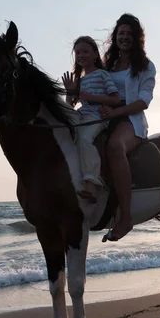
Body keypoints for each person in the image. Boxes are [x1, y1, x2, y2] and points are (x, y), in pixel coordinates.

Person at [98, 13, 156, 242]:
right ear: (115, 36)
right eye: (121, 33)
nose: (124, 37)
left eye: (129, 34)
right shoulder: (107, 66)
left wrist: (116, 112)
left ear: (137, 39)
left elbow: (143, 102)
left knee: (114, 147)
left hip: (130, 120)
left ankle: (126, 217)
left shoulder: (145, 66)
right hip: (104, 116)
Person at [62, 36, 120, 203]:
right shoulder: (80, 80)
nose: (81, 55)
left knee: (85, 139)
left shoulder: (102, 74)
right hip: (82, 115)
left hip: (97, 116)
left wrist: (93, 97)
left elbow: (115, 99)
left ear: (95, 54)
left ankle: (92, 182)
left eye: (85, 51)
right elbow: (70, 106)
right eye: (78, 52)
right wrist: (70, 92)